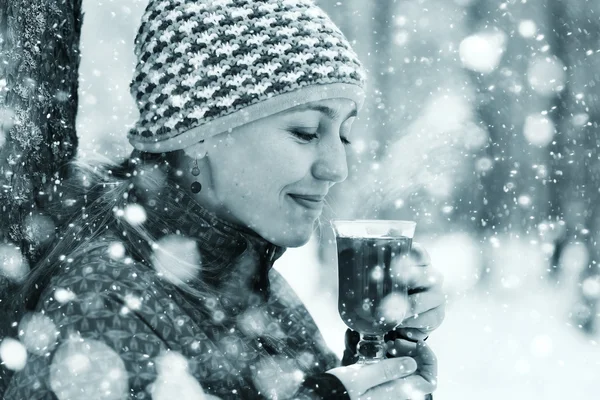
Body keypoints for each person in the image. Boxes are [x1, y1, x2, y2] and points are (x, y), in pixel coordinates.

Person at [2, 0, 445, 399]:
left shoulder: (251, 285)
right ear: (199, 136)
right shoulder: (100, 305)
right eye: (307, 132)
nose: (337, 166)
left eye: (343, 135)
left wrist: (381, 362)